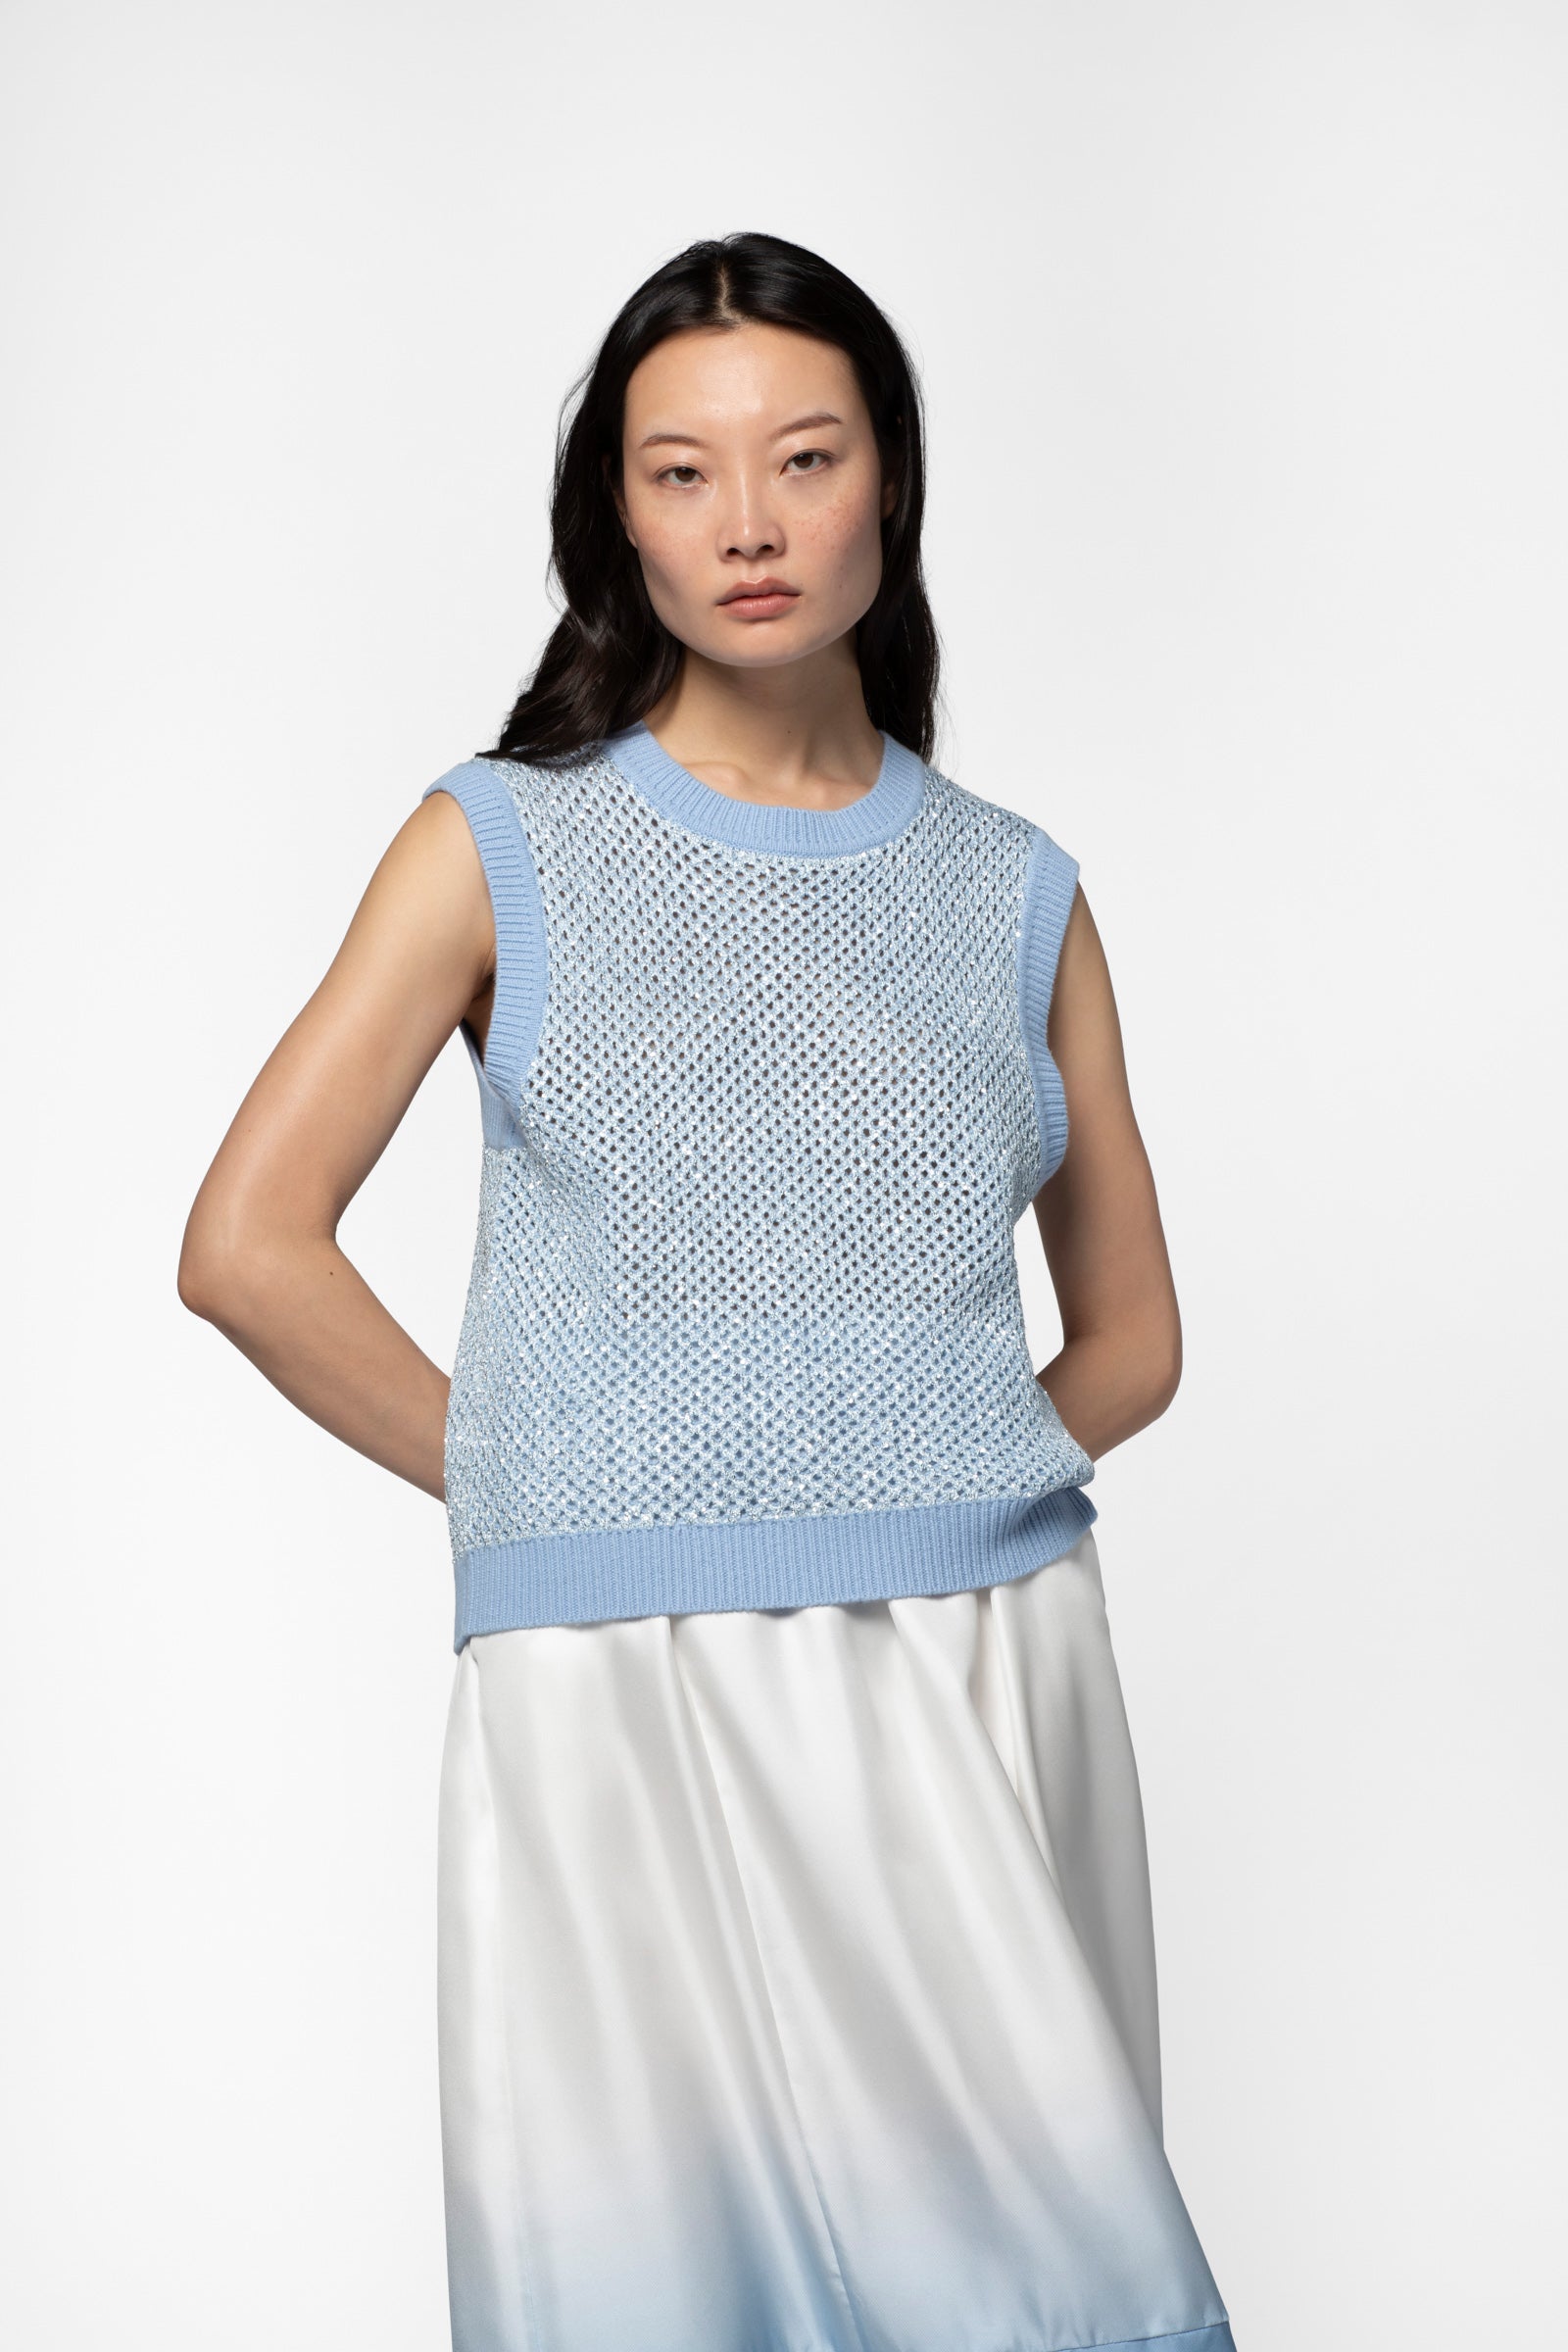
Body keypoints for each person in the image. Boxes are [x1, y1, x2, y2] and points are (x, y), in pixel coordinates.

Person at [178, 230, 1237, 2352]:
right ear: (620, 517)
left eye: (802, 457)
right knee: (659, 2294)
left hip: (979, 1654)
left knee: (1059, 2297)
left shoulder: (1013, 889)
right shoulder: (498, 843)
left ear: (889, 482)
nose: (747, 522)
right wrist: (557, 1473)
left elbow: (1134, 1339)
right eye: (681, 473)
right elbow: (247, 1246)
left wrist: (926, 1460)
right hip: (618, 1676)